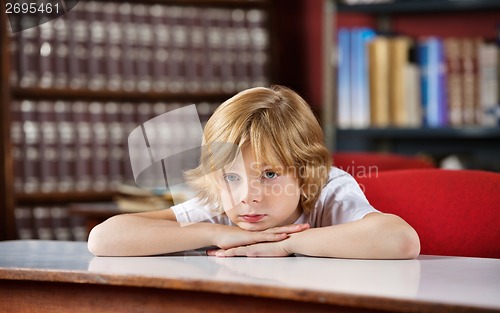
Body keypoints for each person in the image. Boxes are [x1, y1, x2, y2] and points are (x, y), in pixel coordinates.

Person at [88, 85, 420, 258]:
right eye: (231, 176)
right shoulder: (224, 204)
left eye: (270, 175)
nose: (248, 196)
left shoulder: (328, 189)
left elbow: (401, 240)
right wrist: (214, 234)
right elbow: (103, 238)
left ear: (305, 173)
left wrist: (285, 245)